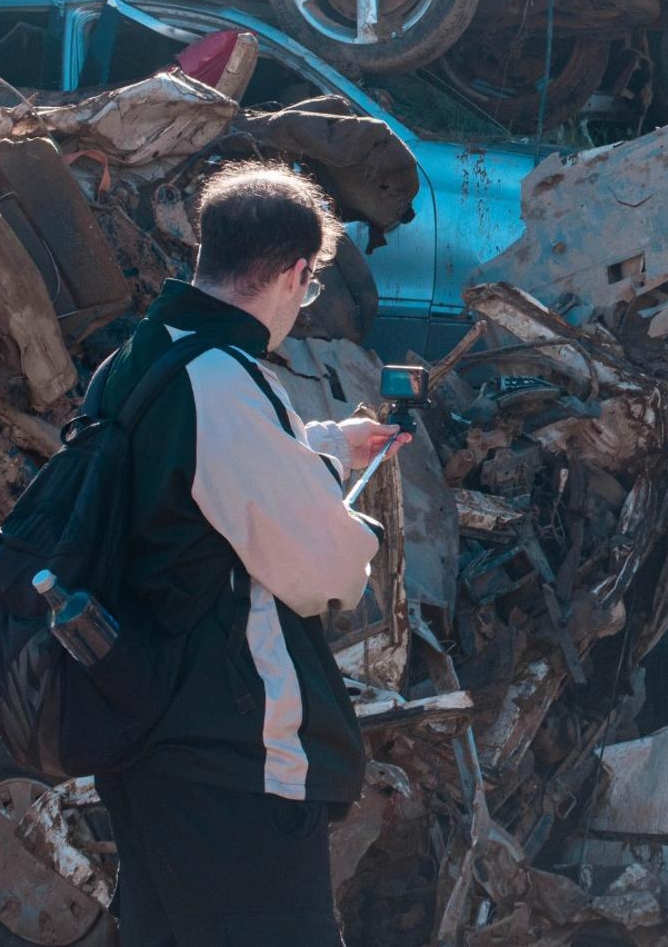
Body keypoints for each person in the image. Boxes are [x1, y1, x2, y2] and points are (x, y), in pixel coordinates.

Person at [93, 161, 403, 946]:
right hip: (227, 758)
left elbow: (192, 478)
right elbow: (326, 573)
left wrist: (324, 445)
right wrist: (353, 528)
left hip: (141, 734)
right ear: (299, 273)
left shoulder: (143, 357)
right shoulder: (222, 383)